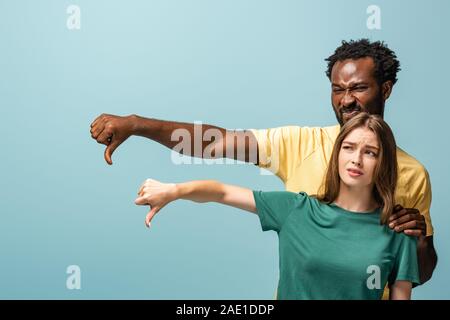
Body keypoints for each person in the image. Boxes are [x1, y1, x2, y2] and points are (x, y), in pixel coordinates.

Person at [90, 39, 437, 293]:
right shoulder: (299, 145)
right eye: (337, 89)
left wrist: (419, 240)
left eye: (359, 88)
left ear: (386, 89)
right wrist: (137, 124)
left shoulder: (412, 174)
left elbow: (417, 273)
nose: (347, 100)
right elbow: (216, 144)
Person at [134, 113, 419, 300]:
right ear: (337, 154)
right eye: (348, 147)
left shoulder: (397, 233)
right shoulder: (296, 209)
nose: (356, 159)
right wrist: (173, 190)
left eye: (370, 152)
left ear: (383, 163)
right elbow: (220, 192)